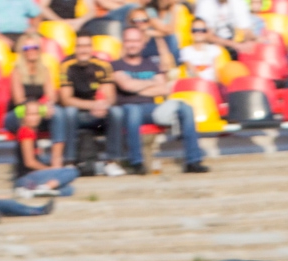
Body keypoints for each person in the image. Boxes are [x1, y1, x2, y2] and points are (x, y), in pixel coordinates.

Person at [111, 24, 211, 173]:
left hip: (152, 110)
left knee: (186, 108)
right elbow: (126, 87)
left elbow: (164, 88)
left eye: (136, 41)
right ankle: (136, 162)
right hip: (128, 109)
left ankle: (193, 160)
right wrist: (150, 84)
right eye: (129, 41)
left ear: (143, 43)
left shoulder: (151, 64)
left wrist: (136, 87)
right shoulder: (115, 65)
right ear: (123, 42)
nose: (132, 45)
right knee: (133, 111)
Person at [57, 34, 118, 170]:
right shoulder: (66, 66)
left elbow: (111, 96)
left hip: (99, 113)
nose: (83, 50)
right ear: (74, 49)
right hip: (78, 114)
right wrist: (93, 105)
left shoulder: (103, 66)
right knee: (69, 112)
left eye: (86, 46)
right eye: (79, 46)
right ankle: (69, 161)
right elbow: (66, 99)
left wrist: (103, 105)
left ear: (92, 48)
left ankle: (112, 162)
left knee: (116, 112)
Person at [5, 33, 59, 164]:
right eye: (26, 48)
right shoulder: (16, 71)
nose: (31, 51)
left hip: (38, 111)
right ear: (21, 51)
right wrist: (38, 109)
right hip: (18, 112)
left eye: (34, 47)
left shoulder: (44, 70)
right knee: (28, 117)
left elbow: (51, 95)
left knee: (59, 114)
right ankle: (31, 161)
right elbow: (19, 99)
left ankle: (59, 158)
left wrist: (47, 106)